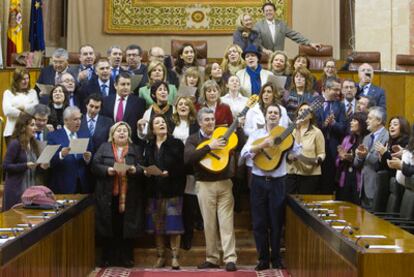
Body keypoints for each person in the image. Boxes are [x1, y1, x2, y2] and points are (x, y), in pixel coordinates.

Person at [240, 104, 301, 271]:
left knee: (276, 222)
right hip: (259, 181)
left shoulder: (288, 134)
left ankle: (276, 258)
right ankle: (262, 259)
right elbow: (244, 154)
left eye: (276, 113)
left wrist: (292, 156)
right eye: (270, 112)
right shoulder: (256, 134)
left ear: (280, 116)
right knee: (259, 222)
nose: (273, 115)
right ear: (265, 116)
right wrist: (261, 146)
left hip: (278, 182)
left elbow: (295, 153)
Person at [184, 108, 238, 272]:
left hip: (224, 183)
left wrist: (239, 127)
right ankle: (212, 258)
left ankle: (230, 258)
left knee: (226, 222)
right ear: (199, 122)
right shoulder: (193, 139)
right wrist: (209, 147)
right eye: (206, 120)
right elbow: (188, 159)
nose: (210, 122)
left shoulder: (222, 135)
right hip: (204, 185)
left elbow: (238, 142)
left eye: (212, 119)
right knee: (209, 223)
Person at [92, 121, 145, 268]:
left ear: (129, 135)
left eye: (125, 131)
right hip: (108, 194)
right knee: (109, 226)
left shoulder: (135, 148)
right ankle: (107, 258)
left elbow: (143, 167)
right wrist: (106, 170)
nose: (122, 133)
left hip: (129, 195)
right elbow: (94, 165)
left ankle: (126, 258)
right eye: (118, 131)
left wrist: (135, 170)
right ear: (112, 134)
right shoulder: (104, 147)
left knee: (126, 227)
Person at [144, 115, 186, 270]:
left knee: (174, 225)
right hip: (154, 190)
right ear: (152, 129)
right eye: (157, 122)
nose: (161, 124)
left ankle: (175, 257)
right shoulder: (148, 145)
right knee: (157, 225)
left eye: (163, 122)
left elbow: (183, 166)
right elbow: (145, 164)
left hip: (172, 188)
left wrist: (170, 172)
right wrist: (146, 172)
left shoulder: (176, 143)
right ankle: (160, 256)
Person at [171, 96, 201, 250]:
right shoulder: (171, 124)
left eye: (186, 104)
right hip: (174, 170)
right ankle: (175, 237)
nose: (182, 106)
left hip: (190, 169)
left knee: (189, 205)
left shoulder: (196, 125)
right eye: (180, 104)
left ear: (190, 107)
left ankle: (188, 236)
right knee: (175, 204)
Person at [2, 113, 48, 211]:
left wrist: (41, 166)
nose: (35, 127)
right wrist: (25, 165)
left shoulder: (34, 144)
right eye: (32, 125)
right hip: (17, 191)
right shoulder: (15, 144)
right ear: (23, 127)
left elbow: (34, 165)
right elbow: (5, 166)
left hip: (31, 190)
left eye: (35, 125)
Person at [47, 106, 93, 194]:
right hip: (63, 184)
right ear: (66, 120)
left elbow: (92, 156)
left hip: (83, 184)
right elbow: (49, 161)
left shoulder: (85, 134)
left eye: (80, 119)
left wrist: (88, 159)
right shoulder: (53, 136)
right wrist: (61, 155)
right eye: (75, 119)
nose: (79, 122)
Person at [315, 77, 347, 194]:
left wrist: (333, 124)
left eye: (339, 90)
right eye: (335, 90)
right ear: (326, 89)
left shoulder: (340, 106)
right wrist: (323, 125)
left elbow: (344, 128)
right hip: (315, 148)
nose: (338, 93)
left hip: (332, 150)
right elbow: (310, 125)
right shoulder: (314, 102)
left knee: (328, 184)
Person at [354, 106, 389, 209]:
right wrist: (359, 156)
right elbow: (356, 163)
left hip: (377, 188)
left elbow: (380, 163)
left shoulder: (387, 137)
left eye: (370, 118)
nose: (366, 121)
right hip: (364, 188)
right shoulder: (367, 138)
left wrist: (366, 155)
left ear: (379, 121)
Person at [286, 103, 326, 194]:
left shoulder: (317, 132)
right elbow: (285, 150)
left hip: (310, 173)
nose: (303, 112)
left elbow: (322, 153)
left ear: (311, 115)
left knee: (305, 203)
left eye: (306, 111)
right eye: (300, 110)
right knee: (289, 203)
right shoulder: (290, 130)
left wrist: (318, 159)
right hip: (291, 172)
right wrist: (289, 156)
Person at [254, 2, 321, 55]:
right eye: (266, 11)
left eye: (270, 10)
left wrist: (310, 43)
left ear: (274, 12)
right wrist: (264, 50)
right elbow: (256, 41)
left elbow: (295, 35)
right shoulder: (258, 25)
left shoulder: (282, 24)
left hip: (279, 57)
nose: (268, 12)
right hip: (264, 57)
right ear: (263, 13)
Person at [101, 72, 146, 144]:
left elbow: (141, 127)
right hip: (110, 144)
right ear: (115, 85)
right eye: (123, 84)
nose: (126, 87)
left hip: (131, 144)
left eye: (128, 84)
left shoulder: (139, 103)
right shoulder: (106, 101)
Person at [336, 112, 369, 204]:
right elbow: (337, 160)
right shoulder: (347, 139)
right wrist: (342, 158)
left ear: (362, 123)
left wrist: (352, 158)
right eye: (351, 120)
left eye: (354, 121)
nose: (351, 123)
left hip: (359, 177)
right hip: (345, 176)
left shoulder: (367, 139)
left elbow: (367, 160)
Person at [2, 68, 39, 144]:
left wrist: (21, 107)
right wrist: (24, 113)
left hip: (28, 132)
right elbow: (7, 110)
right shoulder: (8, 93)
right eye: (23, 79)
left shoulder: (32, 92)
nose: (26, 81)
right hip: (12, 132)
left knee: (28, 156)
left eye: (27, 78)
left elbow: (35, 109)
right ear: (16, 80)